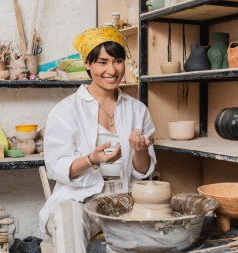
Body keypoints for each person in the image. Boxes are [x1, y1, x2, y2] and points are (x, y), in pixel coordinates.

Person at [39, 27, 157, 253]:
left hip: (126, 198)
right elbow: (56, 167)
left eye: (118, 61)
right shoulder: (66, 110)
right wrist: (91, 159)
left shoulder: (138, 110)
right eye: (102, 62)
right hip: (80, 199)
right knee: (68, 215)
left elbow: (143, 171)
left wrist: (139, 150)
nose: (112, 70)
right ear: (88, 64)